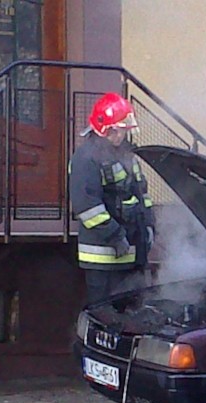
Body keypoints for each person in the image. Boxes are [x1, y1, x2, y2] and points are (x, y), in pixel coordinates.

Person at [69, 92, 155, 305]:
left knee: (132, 316)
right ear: (104, 128)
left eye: (124, 131)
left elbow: (141, 192)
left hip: (132, 255)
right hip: (103, 259)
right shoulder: (86, 159)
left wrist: (149, 225)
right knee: (106, 316)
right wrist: (115, 236)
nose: (122, 136)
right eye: (118, 131)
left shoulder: (126, 154)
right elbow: (87, 207)